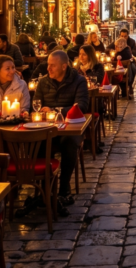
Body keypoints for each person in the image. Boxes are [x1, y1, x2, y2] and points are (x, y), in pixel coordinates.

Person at [33, 51, 89, 208]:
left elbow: (82, 106)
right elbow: (36, 104)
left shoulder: (78, 81)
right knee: (39, 143)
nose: (48, 69)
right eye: (48, 65)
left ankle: (64, 186)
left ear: (64, 67)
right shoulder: (43, 82)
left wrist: (54, 110)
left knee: (69, 143)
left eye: (52, 66)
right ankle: (45, 188)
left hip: (71, 129)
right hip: (48, 129)